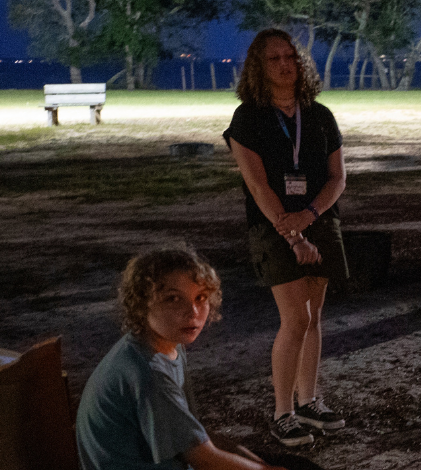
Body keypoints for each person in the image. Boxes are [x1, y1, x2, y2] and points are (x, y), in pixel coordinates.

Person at [224, 28, 349, 446]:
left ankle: (309, 400)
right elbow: (259, 186)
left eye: (290, 57)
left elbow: (338, 177)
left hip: (319, 220)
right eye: (274, 58)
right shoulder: (248, 119)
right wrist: (294, 234)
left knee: (314, 317)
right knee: (294, 318)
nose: (284, 65)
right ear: (259, 67)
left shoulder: (320, 115)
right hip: (273, 225)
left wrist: (312, 215)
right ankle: (283, 412)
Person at [75, 248, 287, 470]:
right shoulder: (148, 373)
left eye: (201, 297)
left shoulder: (164, 345)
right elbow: (201, 456)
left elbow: (195, 435)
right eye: (173, 299)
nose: (193, 311)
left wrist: (258, 462)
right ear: (141, 303)